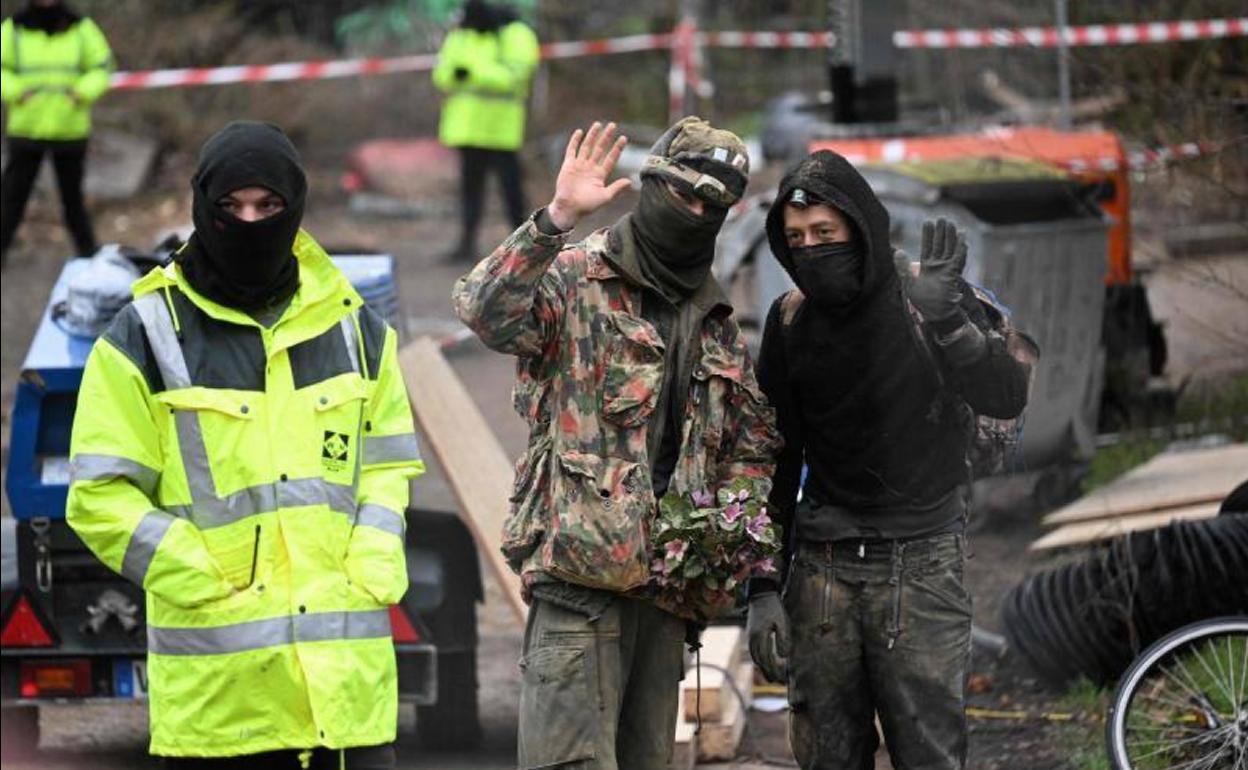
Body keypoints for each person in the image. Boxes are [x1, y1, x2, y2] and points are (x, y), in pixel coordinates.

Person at [66, 121, 424, 769]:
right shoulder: (148, 334)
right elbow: (99, 496)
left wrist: (372, 557)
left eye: (268, 207)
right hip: (223, 708)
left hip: (343, 705)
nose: (250, 222)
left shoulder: (353, 329)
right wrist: (201, 574)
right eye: (231, 208)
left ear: (296, 209)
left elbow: (389, 464)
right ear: (202, 208)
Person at [452, 118, 780, 769]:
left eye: (711, 207)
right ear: (652, 183)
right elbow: (485, 310)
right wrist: (555, 218)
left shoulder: (715, 324)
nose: (694, 213)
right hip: (579, 583)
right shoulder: (575, 279)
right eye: (683, 195)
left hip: (667, 595)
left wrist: (754, 573)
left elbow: (748, 450)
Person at [745, 150, 1034, 769]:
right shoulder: (791, 322)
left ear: (861, 226)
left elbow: (1004, 394)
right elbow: (770, 456)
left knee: (930, 752)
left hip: (923, 566)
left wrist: (950, 318)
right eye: (797, 240)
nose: (812, 250)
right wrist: (763, 587)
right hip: (823, 573)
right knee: (827, 753)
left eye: (826, 233)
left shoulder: (926, 299)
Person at [0, 0, 112, 266]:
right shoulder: (13, 29)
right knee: (12, 197)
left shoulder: (81, 27)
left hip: (69, 129)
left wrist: (82, 92)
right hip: (27, 128)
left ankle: (88, 256)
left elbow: (103, 66)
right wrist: (15, 90)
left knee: (73, 200)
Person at [432, 0, 539, 262]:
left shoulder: (516, 33)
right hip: (467, 128)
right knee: (470, 189)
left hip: (501, 129)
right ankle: (466, 243)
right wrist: (454, 75)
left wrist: (472, 73)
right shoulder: (462, 33)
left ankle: (528, 248)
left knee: (511, 189)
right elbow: (441, 72)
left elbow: (516, 76)